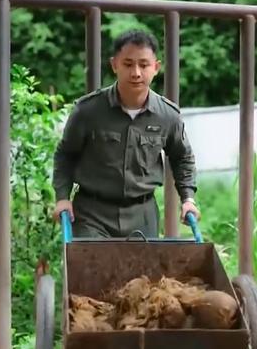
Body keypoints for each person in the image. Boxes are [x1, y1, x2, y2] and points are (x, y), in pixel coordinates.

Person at [52, 29, 200, 238]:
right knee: (93, 269)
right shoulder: (88, 110)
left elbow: (182, 157)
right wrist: (62, 197)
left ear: (156, 67)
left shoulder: (168, 115)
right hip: (92, 215)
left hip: (142, 214)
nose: (136, 73)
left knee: (142, 272)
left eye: (144, 64)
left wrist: (188, 199)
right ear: (115, 65)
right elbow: (66, 154)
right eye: (128, 64)